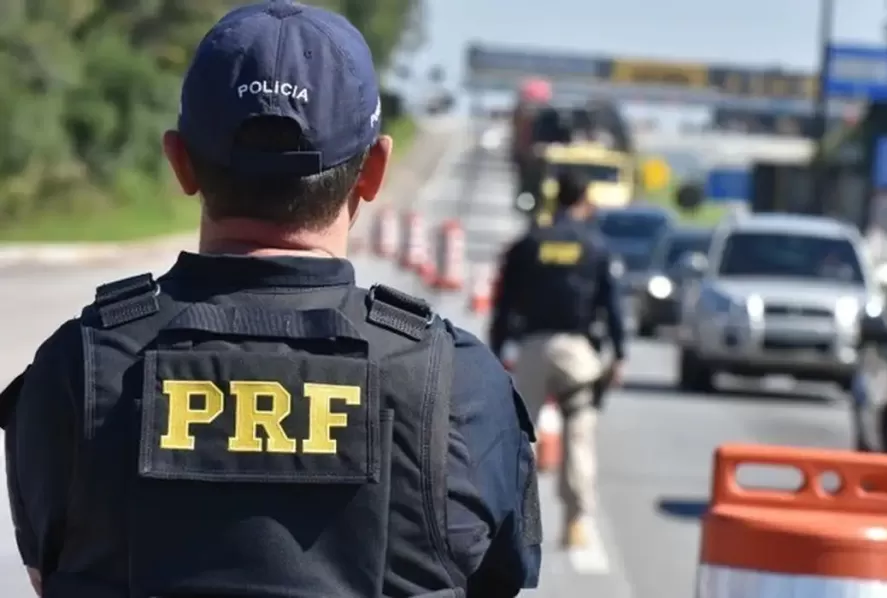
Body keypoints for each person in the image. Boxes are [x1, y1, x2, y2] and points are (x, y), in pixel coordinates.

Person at [0, 2, 540, 596]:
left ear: (180, 162)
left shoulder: (75, 367)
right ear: (374, 170)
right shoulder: (458, 385)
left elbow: (44, 573)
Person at [489, 170, 626, 550]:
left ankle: (507, 521)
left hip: (532, 348)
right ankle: (576, 522)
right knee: (579, 435)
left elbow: (503, 303)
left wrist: (497, 348)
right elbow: (611, 305)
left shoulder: (530, 243)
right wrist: (620, 354)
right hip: (576, 353)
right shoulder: (595, 246)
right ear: (584, 201)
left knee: (520, 438)